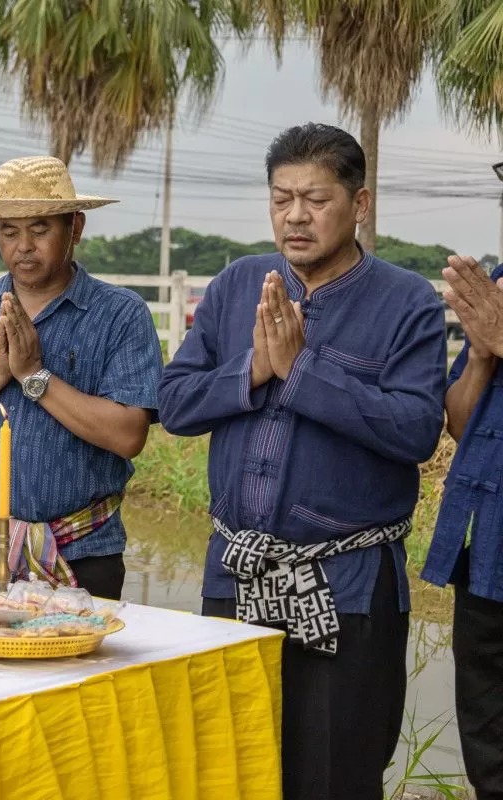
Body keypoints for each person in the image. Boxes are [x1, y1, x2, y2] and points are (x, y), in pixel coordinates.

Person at [158, 123, 447, 800]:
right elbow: (174, 403)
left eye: (315, 199)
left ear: (360, 204)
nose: (295, 215)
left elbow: (414, 430)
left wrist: (303, 371)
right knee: (228, 766)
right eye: (282, 197)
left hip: (345, 586)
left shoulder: (406, 302)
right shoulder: (236, 286)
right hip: (234, 576)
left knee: (333, 775)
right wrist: (255, 367)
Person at [0, 156, 162, 600]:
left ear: (75, 228)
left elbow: (128, 435)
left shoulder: (119, 314)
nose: (23, 246)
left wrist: (35, 376)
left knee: (78, 667)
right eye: (9, 230)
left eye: (40, 229)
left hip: (82, 551)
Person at [421, 255, 503, 800]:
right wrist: (480, 356)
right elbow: (458, 420)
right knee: (486, 733)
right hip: (490, 549)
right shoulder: (496, 287)